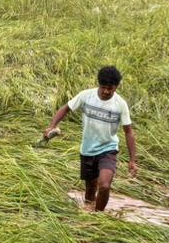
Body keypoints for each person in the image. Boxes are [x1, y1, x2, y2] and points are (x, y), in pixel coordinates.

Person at [43, 66, 138, 212]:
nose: (106, 91)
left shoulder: (120, 104)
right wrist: (52, 126)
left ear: (116, 87)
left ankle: (98, 218)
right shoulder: (86, 96)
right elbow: (65, 108)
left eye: (110, 89)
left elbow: (128, 132)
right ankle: (88, 213)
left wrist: (132, 161)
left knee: (105, 185)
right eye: (103, 87)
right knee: (89, 192)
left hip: (108, 149)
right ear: (99, 84)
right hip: (87, 150)